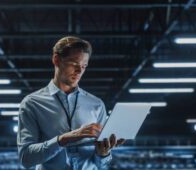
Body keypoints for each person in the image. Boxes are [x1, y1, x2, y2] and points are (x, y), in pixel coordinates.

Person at [17, 36, 125, 170]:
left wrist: (103, 154)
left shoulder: (96, 105)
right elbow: (26, 158)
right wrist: (64, 139)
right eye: (74, 64)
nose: (80, 71)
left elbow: (102, 166)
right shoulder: (32, 103)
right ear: (56, 60)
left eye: (84, 66)